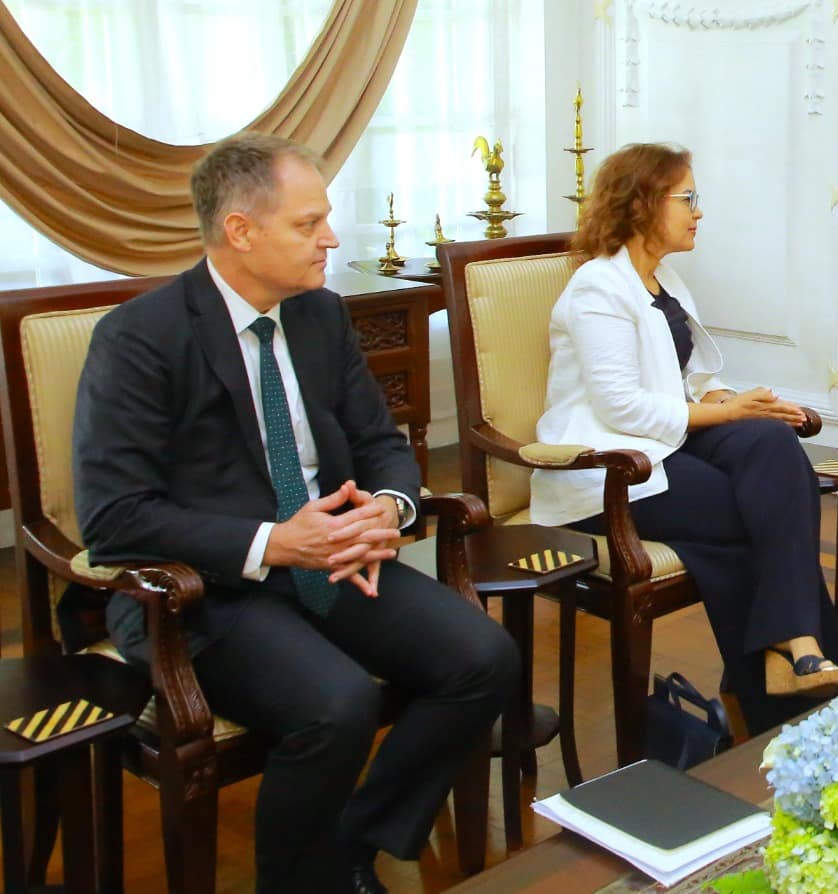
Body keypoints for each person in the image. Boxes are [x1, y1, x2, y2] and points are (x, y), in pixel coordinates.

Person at [73, 132, 518, 894]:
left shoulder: (320, 316)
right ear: (240, 231)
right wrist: (274, 541)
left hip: (334, 558)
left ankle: (351, 845)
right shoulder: (140, 339)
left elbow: (382, 441)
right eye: (308, 223)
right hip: (204, 590)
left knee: (485, 660)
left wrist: (388, 505)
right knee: (334, 705)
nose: (331, 238)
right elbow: (114, 519)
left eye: (327, 220)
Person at [529, 142, 838, 733]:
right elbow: (622, 406)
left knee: (773, 446)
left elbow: (687, 381)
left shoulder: (667, 281)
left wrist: (745, 407)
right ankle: (813, 695)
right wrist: (728, 412)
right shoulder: (596, 289)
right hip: (608, 465)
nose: (698, 211)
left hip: (664, 443)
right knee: (758, 517)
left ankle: (794, 646)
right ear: (641, 204)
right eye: (687, 198)